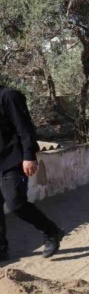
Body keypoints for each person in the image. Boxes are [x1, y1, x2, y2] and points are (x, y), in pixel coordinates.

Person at [0, 85, 64, 261]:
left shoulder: (9, 96)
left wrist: (29, 155)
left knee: (16, 203)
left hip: (14, 160)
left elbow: (25, 128)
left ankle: (52, 231)